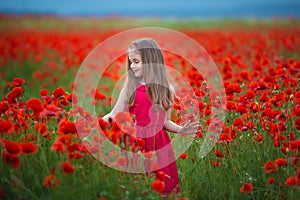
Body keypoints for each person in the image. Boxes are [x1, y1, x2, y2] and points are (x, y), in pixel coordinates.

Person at [102, 38, 199, 194]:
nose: (132, 66)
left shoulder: (167, 89)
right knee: (137, 187)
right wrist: (94, 125)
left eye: (136, 61)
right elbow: (114, 113)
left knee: (161, 186)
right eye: (130, 62)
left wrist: (181, 129)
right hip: (134, 143)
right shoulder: (130, 86)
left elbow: (165, 121)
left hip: (159, 145)